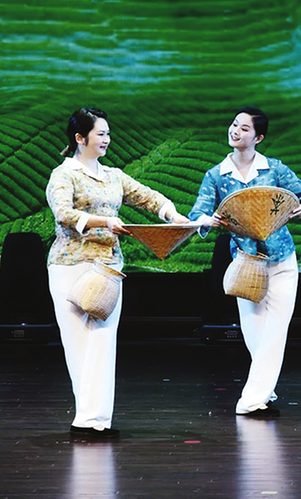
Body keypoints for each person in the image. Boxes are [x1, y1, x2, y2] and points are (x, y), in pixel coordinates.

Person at [46, 107, 190, 438]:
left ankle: (95, 420)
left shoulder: (113, 175)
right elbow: (63, 213)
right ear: (80, 138)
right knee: (78, 345)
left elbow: (148, 197)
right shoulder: (64, 175)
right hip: (71, 266)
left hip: (107, 267)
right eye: (100, 134)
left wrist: (173, 216)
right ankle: (88, 419)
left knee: (102, 341)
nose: (107, 139)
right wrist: (105, 221)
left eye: (108, 134)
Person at [188, 106, 301, 418]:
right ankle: (265, 392)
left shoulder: (274, 169)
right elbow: (197, 214)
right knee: (255, 334)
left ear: (258, 137)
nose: (235, 131)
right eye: (234, 125)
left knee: (276, 329)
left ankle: (250, 401)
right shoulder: (216, 175)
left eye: (244, 128)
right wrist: (209, 220)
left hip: (282, 259)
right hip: (246, 263)